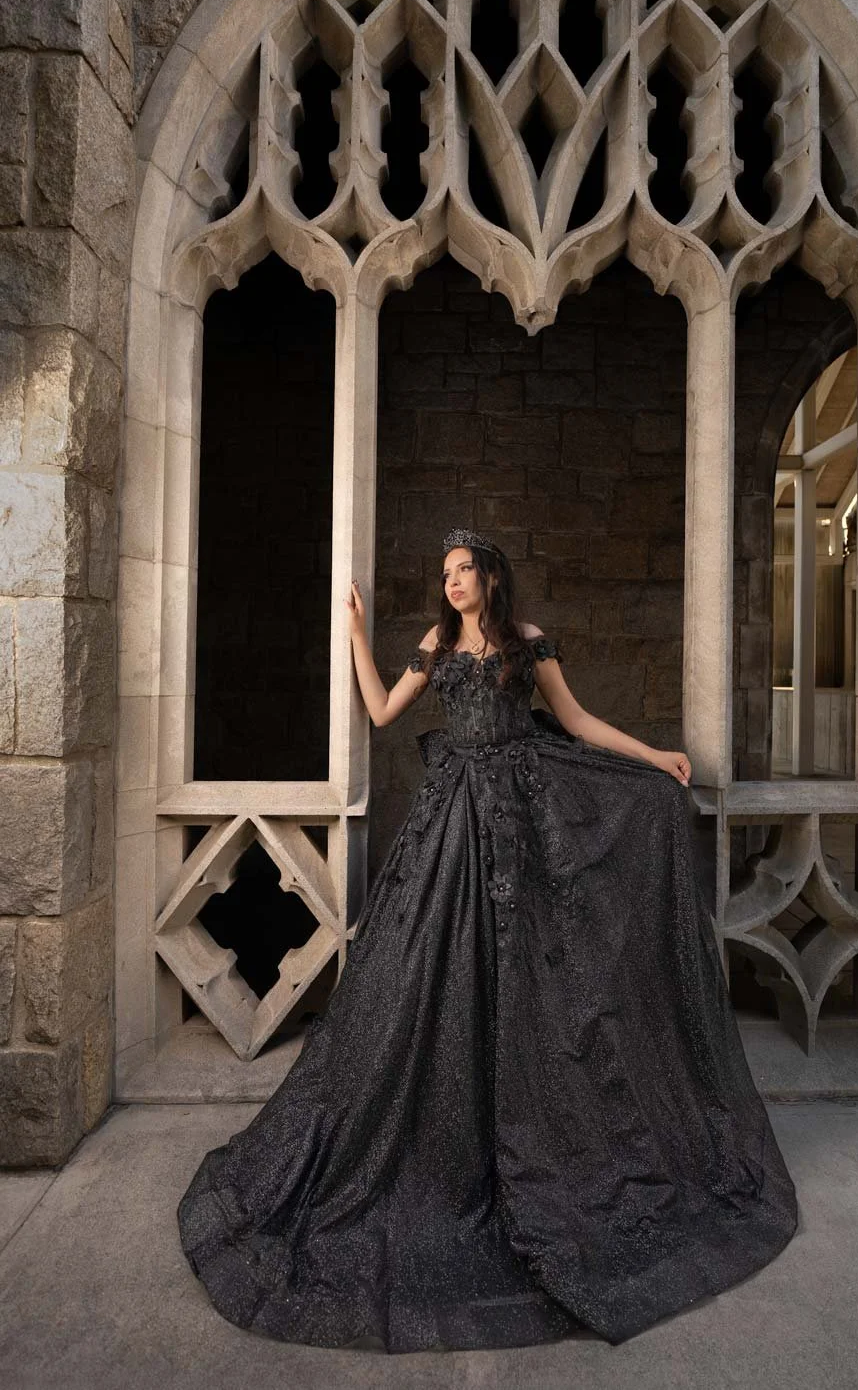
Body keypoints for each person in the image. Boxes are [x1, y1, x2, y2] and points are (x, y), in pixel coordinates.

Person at [177, 528, 799, 1352]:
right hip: (450, 828)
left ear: (491, 576)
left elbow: (573, 721)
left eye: (464, 569)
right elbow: (380, 712)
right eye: (444, 573)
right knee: (426, 977)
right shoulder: (436, 642)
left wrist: (654, 755)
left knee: (541, 984)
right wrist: (358, 637)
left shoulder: (529, 643)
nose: (453, 582)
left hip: (526, 825)